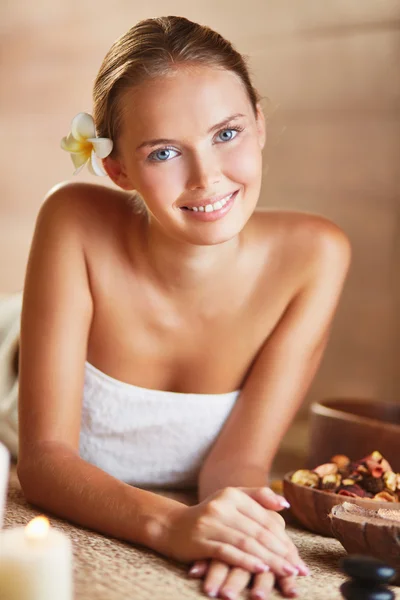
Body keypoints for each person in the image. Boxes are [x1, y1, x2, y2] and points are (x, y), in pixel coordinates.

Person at [16, 15, 351, 600]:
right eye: (165, 152)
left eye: (227, 134)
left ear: (260, 125)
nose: (207, 177)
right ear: (117, 169)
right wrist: (173, 524)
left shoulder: (316, 256)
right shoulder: (72, 219)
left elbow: (237, 465)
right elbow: (43, 463)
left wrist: (245, 533)